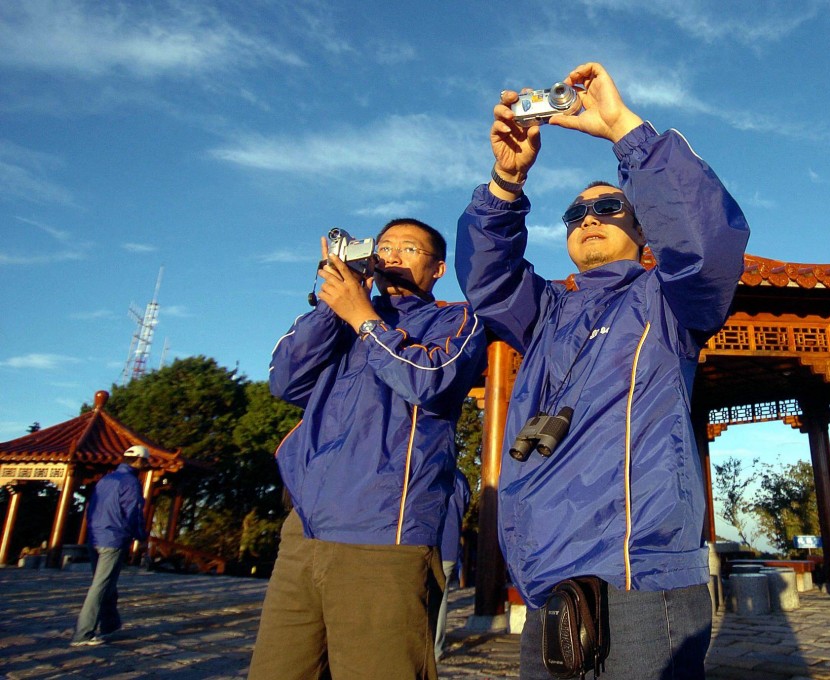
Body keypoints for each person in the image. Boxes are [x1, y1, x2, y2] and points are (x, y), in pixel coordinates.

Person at [456, 63, 750, 679]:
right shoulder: (546, 312)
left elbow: (703, 244)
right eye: (575, 213)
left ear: (642, 228)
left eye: (609, 206)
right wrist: (506, 184)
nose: (588, 218)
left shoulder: (667, 302)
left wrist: (622, 129)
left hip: (639, 577)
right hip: (546, 575)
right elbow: (487, 280)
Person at [249, 218, 486, 680]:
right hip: (305, 529)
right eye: (386, 247)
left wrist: (365, 319)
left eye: (410, 249)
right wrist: (335, 304)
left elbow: (430, 380)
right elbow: (284, 380)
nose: (394, 255)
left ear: (438, 269)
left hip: (383, 530)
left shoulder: (454, 320)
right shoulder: (340, 319)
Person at [71, 444, 149, 647]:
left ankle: (110, 624)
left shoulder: (106, 479)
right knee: (101, 585)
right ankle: (83, 633)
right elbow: (133, 512)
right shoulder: (131, 482)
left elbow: (91, 507)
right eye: (146, 462)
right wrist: (140, 537)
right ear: (139, 461)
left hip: (95, 536)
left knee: (107, 583)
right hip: (113, 539)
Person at [434, 468, 470, 661]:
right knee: (441, 600)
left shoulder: (430, 470)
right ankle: (436, 648)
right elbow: (465, 505)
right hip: (449, 546)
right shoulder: (460, 479)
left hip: (427, 542)